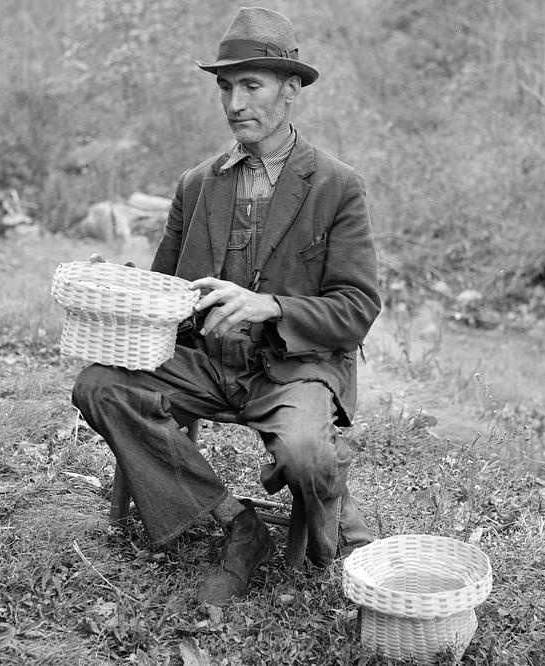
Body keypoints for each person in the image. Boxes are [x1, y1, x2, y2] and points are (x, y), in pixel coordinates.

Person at [71, 6, 381, 605]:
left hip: (295, 369)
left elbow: (357, 308)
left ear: (290, 90)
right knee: (99, 386)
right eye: (225, 86)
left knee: (303, 451)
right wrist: (118, 285)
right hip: (209, 362)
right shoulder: (197, 184)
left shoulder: (336, 186)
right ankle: (235, 526)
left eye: (251, 85)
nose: (235, 102)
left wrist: (270, 305)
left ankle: (328, 504)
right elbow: (162, 292)